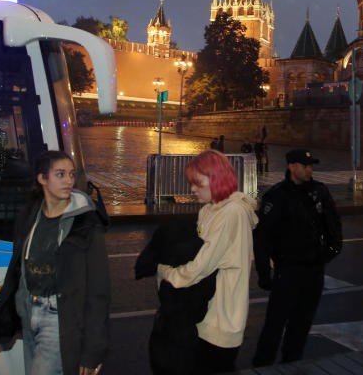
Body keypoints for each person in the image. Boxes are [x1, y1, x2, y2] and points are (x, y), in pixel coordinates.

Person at [0, 151, 110, 375]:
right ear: (42, 178)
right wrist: (3, 323)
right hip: (29, 313)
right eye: (60, 174)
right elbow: (16, 272)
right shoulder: (29, 216)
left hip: (58, 318)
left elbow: (98, 291)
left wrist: (93, 350)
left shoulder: (86, 223)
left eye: (71, 174)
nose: (69, 181)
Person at [157, 150, 258, 374]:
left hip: (221, 321)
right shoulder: (208, 211)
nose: (192, 189)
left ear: (216, 179)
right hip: (204, 314)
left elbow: (199, 267)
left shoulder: (231, 213)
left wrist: (164, 273)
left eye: (197, 183)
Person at [252, 148, 342, 366]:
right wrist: (264, 274)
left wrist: (327, 253)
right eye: (305, 165)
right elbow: (262, 237)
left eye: (311, 165)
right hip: (288, 271)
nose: (310, 169)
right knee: (274, 325)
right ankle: (262, 367)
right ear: (292, 167)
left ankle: (292, 366)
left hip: (313, 272)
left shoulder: (319, 192)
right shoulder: (277, 195)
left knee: (301, 326)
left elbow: (333, 226)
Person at [134, 221, 217, 375]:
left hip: (169, 327)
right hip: (200, 327)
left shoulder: (168, 232)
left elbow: (142, 266)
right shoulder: (209, 237)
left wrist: (160, 268)